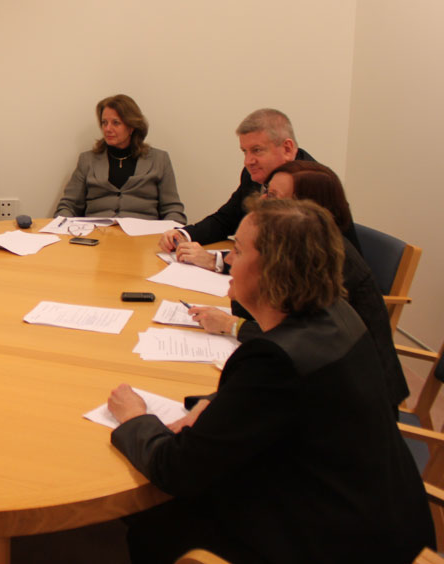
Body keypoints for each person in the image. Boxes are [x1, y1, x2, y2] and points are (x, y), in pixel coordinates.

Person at [107, 199, 433, 563]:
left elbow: (176, 470)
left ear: (272, 270)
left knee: (154, 526)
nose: (228, 259)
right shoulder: (337, 312)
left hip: (338, 543)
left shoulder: (272, 359)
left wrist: (136, 418)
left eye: (239, 250)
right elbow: (287, 399)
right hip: (388, 516)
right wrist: (214, 405)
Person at [187, 161, 408, 410]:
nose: (263, 203)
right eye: (266, 192)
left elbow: (303, 343)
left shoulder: (324, 264)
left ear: (304, 211)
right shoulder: (304, 253)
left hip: (353, 403)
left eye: (275, 198)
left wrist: (233, 326)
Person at [159, 108, 315, 272]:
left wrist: (215, 260)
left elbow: (287, 256)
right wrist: (184, 235)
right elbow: (227, 219)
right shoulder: (255, 174)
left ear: (287, 149)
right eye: (244, 152)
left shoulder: (311, 183)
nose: (248, 161)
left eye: (257, 150)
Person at [55, 95, 185, 223]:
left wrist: (171, 234)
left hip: (143, 238)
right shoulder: (87, 160)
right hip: (96, 237)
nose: (107, 129)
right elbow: (68, 205)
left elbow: (172, 209)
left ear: (131, 127)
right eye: (104, 123)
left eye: (115, 123)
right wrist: (62, 225)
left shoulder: (159, 159)